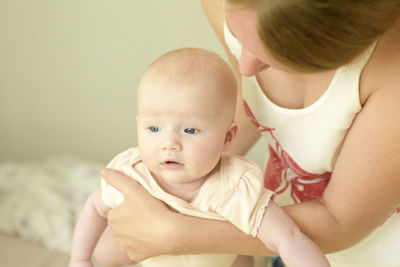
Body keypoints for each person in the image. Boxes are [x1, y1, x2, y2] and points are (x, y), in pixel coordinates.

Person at [100, 0, 400, 266]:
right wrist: (179, 185)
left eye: (274, 58)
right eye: (238, 38)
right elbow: (243, 107)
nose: (244, 68)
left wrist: (176, 232)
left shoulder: (392, 75)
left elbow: (339, 221)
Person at [68, 48, 330, 267]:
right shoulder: (132, 173)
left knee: (243, 260)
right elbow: (94, 207)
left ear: (228, 138)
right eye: (154, 129)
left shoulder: (236, 186)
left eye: (190, 130)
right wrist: (80, 260)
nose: (169, 144)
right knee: (107, 248)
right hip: (147, 257)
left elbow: (288, 238)